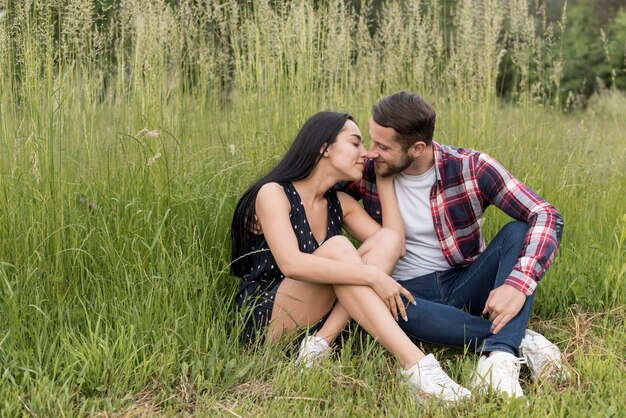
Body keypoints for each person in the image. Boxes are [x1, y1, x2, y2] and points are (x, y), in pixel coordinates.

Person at [231, 111, 472, 403]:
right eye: (356, 143)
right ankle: (416, 366)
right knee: (339, 249)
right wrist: (372, 276)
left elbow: (395, 243)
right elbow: (291, 264)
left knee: (379, 240)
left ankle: (318, 345)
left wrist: (384, 180)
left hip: (317, 318)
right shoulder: (274, 193)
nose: (367, 153)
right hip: (267, 318)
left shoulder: (339, 203)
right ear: (325, 147)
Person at [338, 91, 565, 398]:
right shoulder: (366, 170)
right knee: (375, 305)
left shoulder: (470, 167)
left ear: (417, 148)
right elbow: (311, 190)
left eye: (383, 146)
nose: (371, 152)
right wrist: (259, 210)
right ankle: (518, 340)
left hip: (466, 281)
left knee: (519, 230)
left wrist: (518, 284)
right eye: (370, 140)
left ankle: (498, 362)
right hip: (406, 293)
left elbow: (544, 214)